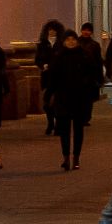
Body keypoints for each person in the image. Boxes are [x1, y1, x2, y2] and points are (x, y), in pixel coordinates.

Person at [50, 29, 103, 170]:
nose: (71, 42)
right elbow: (53, 78)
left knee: (78, 129)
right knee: (64, 129)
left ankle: (76, 157)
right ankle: (66, 157)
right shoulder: (59, 57)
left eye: (73, 39)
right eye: (68, 40)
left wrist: (88, 86)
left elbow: (93, 73)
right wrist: (51, 94)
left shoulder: (85, 56)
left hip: (80, 98)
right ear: (64, 42)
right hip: (63, 98)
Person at [35, 19, 66, 136]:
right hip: (47, 77)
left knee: (58, 102)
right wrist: (43, 65)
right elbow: (37, 59)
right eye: (50, 30)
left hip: (59, 78)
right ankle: (50, 123)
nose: (52, 32)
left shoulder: (62, 44)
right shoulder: (42, 44)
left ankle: (58, 125)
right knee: (47, 102)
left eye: (54, 30)